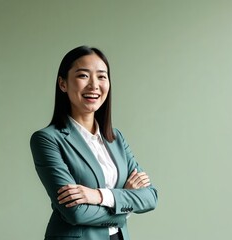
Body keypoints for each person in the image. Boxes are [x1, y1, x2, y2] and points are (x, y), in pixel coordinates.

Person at [30, 46, 158, 240]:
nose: (94, 85)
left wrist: (98, 196)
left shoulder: (116, 139)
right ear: (63, 84)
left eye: (101, 76)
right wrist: (125, 201)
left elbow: (150, 197)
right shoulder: (47, 140)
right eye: (83, 76)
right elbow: (75, 213)